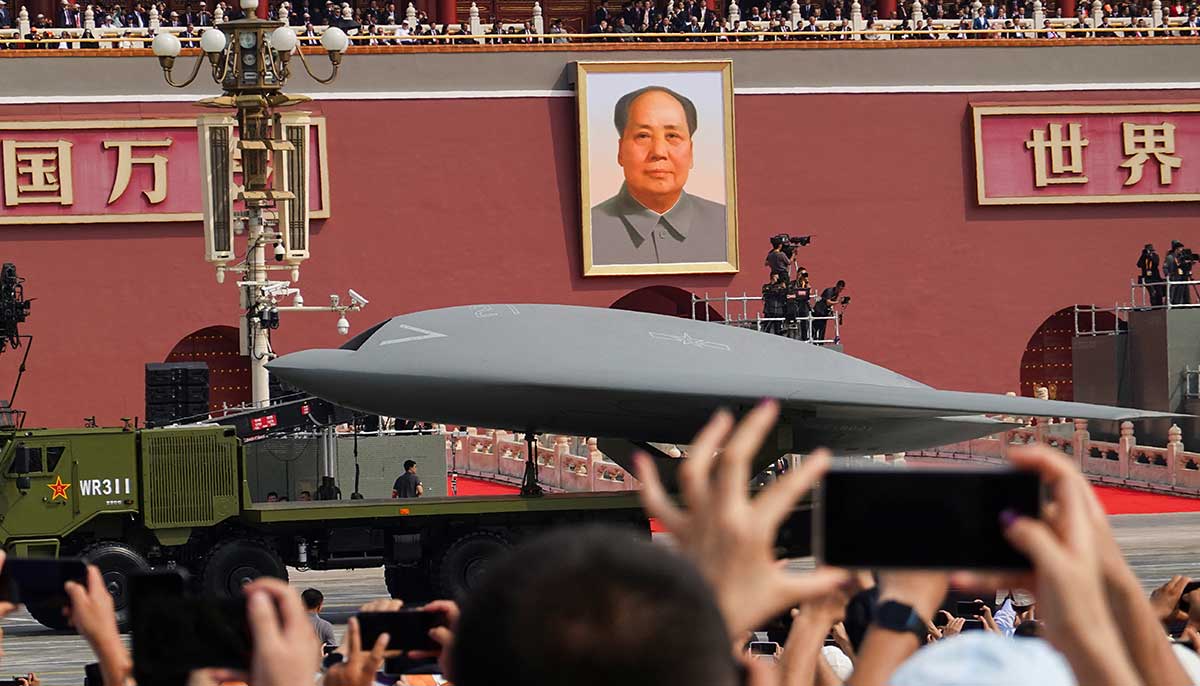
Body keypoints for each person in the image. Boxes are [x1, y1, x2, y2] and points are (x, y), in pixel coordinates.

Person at [589, 86, 728, 266]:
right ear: (620, 150)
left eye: (672, 136)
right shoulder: (588, 229)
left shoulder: (728, 225)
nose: (659, 152)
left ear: (691, 152)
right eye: (643, 136)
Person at [1137, 243, 1164, 307]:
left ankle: (1159, 305)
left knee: (1159, 292)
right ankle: (1154, 306)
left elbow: (1156, 263)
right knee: (1152, 292)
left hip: (1156, 277)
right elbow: (1139, 264)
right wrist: (1143, 255)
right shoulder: (1144, 257)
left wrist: (1150, 256)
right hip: (1147, 278)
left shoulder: (1155, 256)